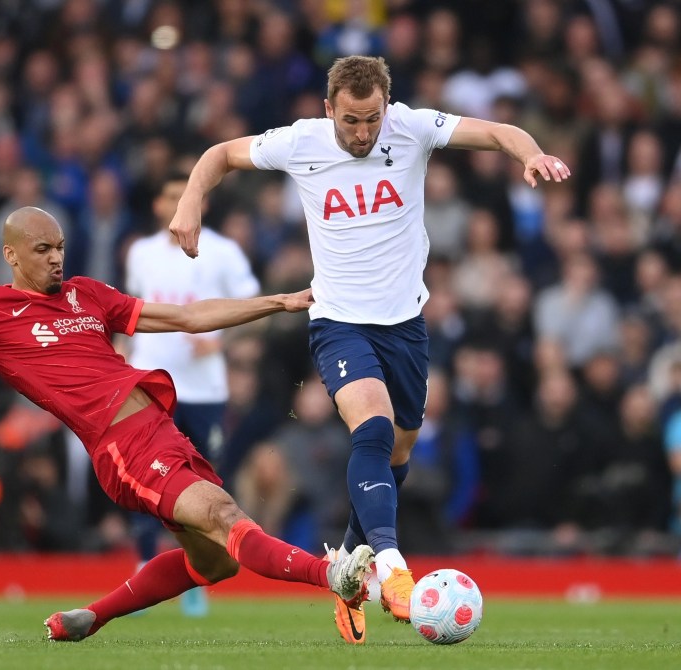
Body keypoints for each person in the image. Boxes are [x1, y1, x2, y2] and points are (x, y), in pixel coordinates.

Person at [0, 206, 374, 642]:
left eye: (60, 245)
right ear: (12, 256)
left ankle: (95, 614)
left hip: (163, 433)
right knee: (225, 517)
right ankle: (336, 574)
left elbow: (189, 317)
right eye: (41, 249)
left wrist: (280, 302)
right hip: (120, 446)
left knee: (215, 561)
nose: (56, 257)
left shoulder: (88, 295)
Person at [168, 55, 571, 644]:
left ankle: (350, 573)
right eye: (351, 121)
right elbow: (219, 154)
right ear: (328, 109)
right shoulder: (301, 141)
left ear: (387, 107)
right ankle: (390, 568)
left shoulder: (411, 127)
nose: (362, 133)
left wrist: (530, 153)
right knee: (374, 432)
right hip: (337, 322)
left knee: (400, 449)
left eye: (372, 120)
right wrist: (189, 201)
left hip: (405, 324)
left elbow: (496, 132)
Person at [124, 169, 261, 616]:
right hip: (149, 389)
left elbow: (254, 311)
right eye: (169, 195)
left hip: (204, 390)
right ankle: (144, 570)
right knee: (144, 483)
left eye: (186, 196)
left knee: (204, 484)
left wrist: (218, 341)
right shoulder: (141, 254)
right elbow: (128, 315)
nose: (176, 204)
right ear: (158, 206)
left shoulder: (222, 253)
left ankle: (198, 574)